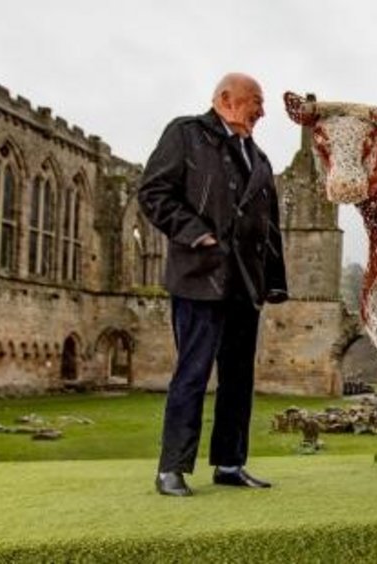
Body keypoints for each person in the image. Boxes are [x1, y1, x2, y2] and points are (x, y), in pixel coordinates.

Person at [138, 73, 288, 497]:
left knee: (238, 379)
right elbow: (153, 193)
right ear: (226, 98)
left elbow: (269, 228)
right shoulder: (186, 134)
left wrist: (273, 284)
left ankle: (229, 463)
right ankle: (172, 469)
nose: (262, 110)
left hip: (245, 285)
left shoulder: (258, 159)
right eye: (255, 101)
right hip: (200, 278)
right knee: (192, 373)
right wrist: (195, 233)